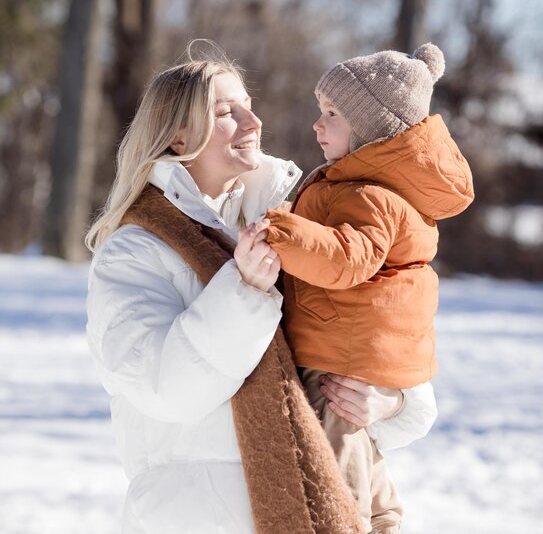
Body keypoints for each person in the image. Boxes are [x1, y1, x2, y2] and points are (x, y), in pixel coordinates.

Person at [85, 43, 439, 534]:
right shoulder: (134, 252)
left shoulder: (301, 221)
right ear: (176, 135)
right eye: (228, 112)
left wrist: (391, 402)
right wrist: (245, 288)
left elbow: (383, 322)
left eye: (250, 106)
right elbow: (166, 390)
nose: (254, 123)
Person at [264, 43, 474, 533]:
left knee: (333, 495)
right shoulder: (370, 189)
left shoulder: (368, 197)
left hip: (336, 360)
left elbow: (347, 259)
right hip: (350, 358)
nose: (318, 124)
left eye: (332, 113)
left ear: (370, 129)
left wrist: (280, 231)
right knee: (364, 477)